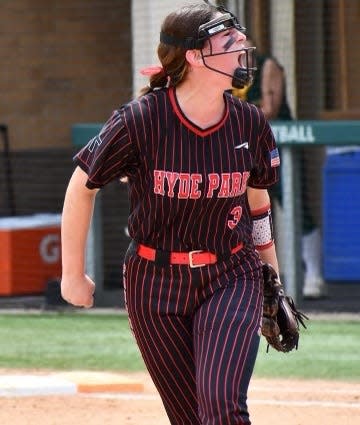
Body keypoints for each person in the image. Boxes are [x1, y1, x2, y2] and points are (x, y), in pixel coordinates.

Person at [61, 2, 281, 424]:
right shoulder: (140, 120)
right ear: (196, 57)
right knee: (188, 416)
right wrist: (72, 274)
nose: (242, 47)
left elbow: (258, 204)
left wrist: (271, 273)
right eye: (229, 41)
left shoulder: (249, 122)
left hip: (231, 273)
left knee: (222, 406)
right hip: (153, 283)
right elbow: (80, 187)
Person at [233, 41, 326, 299]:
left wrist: (232, 116)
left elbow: (270, 109)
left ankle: (314, 276)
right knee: (247, 213)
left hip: (277, 148)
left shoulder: (267, 65)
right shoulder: (226, 72)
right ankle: (253, 277)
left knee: (297, 207)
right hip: (245, 151)